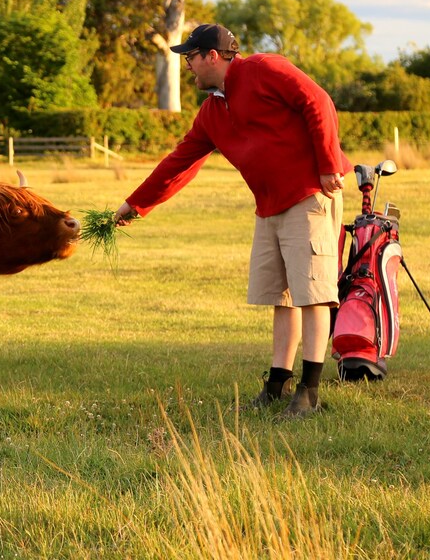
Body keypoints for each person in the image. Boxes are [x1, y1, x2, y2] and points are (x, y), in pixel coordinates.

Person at [114, 24, 352, 418]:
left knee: (313, 293)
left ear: (212, 55)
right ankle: (278, 383)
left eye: (189, 57)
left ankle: (309, 391)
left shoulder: (263, 68)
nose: (186, 65)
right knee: (281, 296)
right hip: (269, 206)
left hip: (311, 192)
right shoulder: (211, 112)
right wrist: (135, 205)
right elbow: (179, 163)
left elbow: (319, 101)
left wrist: (328, 165)